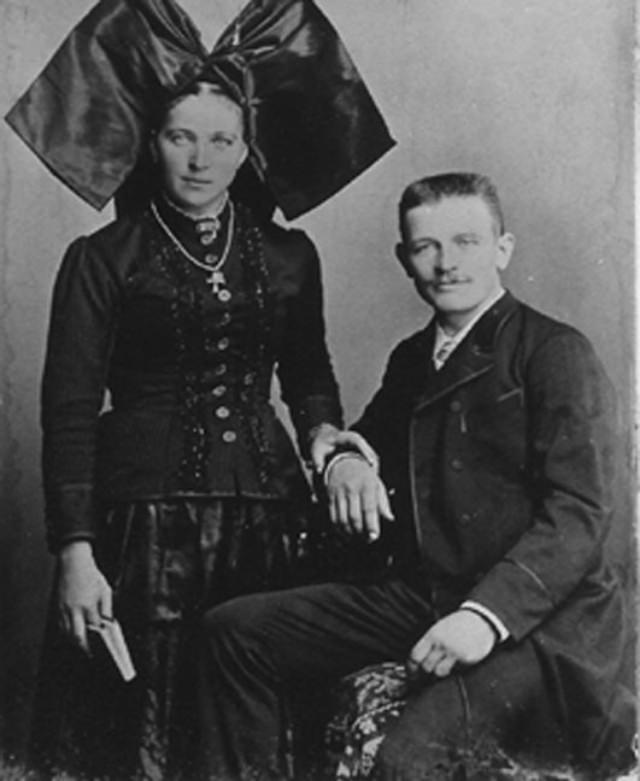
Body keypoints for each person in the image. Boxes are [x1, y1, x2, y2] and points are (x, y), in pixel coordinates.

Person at [198, 172, 636, 780]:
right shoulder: (413, 356)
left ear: (502, 250)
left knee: (411, 760)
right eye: (426, 246)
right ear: (405, 260)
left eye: (465, 242)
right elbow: (366, 443)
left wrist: (483, 618)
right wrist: (344, 458)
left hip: (540, 622)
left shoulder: (555, 351)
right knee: (234, 632)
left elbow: (581, 514)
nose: (445, 263)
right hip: (426, 594)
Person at [28, 78, 382, 781]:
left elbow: (309, 376)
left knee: (254, 719)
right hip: (144, 530)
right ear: (152, 145)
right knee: (140, 731)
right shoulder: (104, 257)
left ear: (245, 151)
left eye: (220, 139)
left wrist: (328, 442)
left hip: (268, 522)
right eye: (180, 136)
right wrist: (74, 551)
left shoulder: (289, 256)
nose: (200, 158)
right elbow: (68, 409)